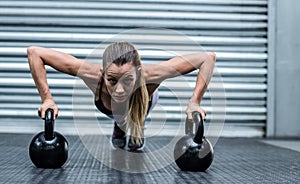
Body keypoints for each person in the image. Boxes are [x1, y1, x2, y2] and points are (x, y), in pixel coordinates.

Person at [27, 41, 216, 151]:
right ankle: (120, 124)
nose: (118, 89)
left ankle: (136, 123)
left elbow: (207, 58)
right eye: (111, 80)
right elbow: (35, 53)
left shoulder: (152, 74)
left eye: (127, 80)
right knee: (120, 112)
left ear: (139, 73)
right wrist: (47, 99)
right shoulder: (90, 74)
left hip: (142, 102)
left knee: (135, 113)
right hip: (108, 107)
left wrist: (194, 102)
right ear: (102, 72)